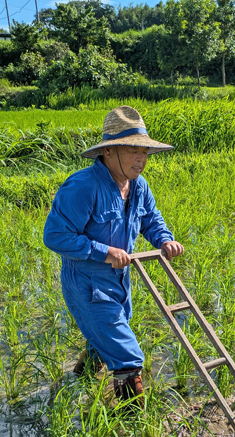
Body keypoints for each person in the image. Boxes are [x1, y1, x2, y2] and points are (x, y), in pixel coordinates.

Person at [43, 105, 184, 402]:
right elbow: (55, 236)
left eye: (144, 152)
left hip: (120, 282)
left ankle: (80, 383)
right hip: (87, 283)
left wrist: (164, 240)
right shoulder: (83, 187)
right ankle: (131, 424)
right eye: (133, 150)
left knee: (103, 340)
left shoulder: (138, 185)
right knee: (127, 355)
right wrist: (104, 251)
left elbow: (150, 218)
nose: (141, 159)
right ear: (108, 152)